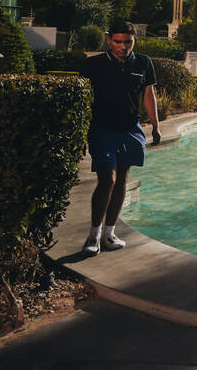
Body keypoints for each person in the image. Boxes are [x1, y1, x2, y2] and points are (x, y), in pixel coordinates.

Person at [79, 20, 159, 255]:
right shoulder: (92, 65)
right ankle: (93, 236)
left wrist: (155, 125)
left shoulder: (144, 63)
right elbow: (82, 100)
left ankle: (109, 233)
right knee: (107, 180)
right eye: (117, 41)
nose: (122, 46)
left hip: (130, 128)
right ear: (108, 39)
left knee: (123, 179)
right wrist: (80, 132)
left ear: (135, 40)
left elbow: (148, 95)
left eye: (128, 42)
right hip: (101, 129)